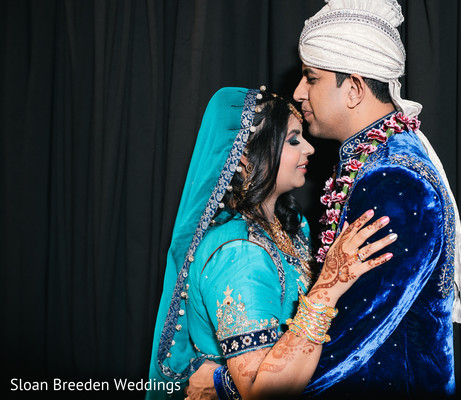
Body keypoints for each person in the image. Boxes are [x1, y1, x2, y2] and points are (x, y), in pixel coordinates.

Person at [184, 1, 461, 399]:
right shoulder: (378, 160)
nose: (298, 92)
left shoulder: (393, 180)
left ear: (354, 88)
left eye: (311, 78)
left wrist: (225, 387)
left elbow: (353, 338)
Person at [146, 86, 397, 399]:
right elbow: (261, 392)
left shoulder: (290, 227)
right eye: (293, 140)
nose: (309, 149)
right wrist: (330, 284)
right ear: (246, 158)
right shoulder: (239, 253)